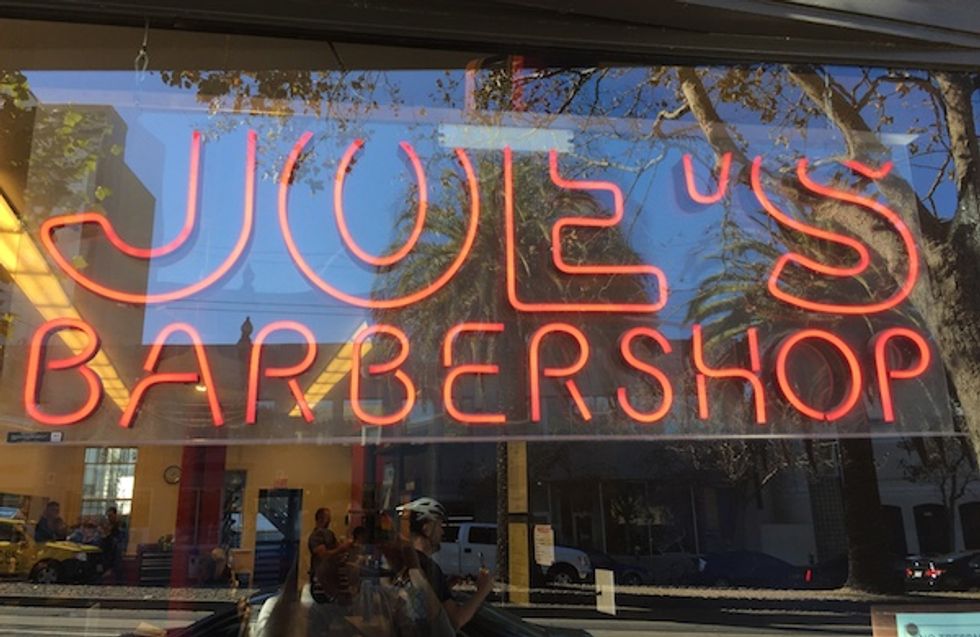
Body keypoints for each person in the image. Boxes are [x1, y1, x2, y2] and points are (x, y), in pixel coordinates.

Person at [396, 497, 493, 632]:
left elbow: (421, 601)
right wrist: (483, 590)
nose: (442, 532)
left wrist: (444, 587)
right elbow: (455, 620)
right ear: (427, 529)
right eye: (440, 526)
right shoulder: (427, 568)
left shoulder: (404, 562)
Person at [308, 507, 352, 602]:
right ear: (321, 518)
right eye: (328, 517)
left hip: (332, 578)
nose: (330, 520)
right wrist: (341, 548)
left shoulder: (329, 533)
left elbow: (337, 548)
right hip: (323, 581)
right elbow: (323, 555)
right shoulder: (317, 536)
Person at [100, 506, 127, 583]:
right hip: (109, 544)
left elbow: (122, 537)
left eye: (110, 516)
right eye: (108, 516)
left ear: (115, 515)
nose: (109, 518)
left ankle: (112, 572)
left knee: (116, 551)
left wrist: (123, 548)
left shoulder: (120, 525)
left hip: (116, 545)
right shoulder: (108, 525)